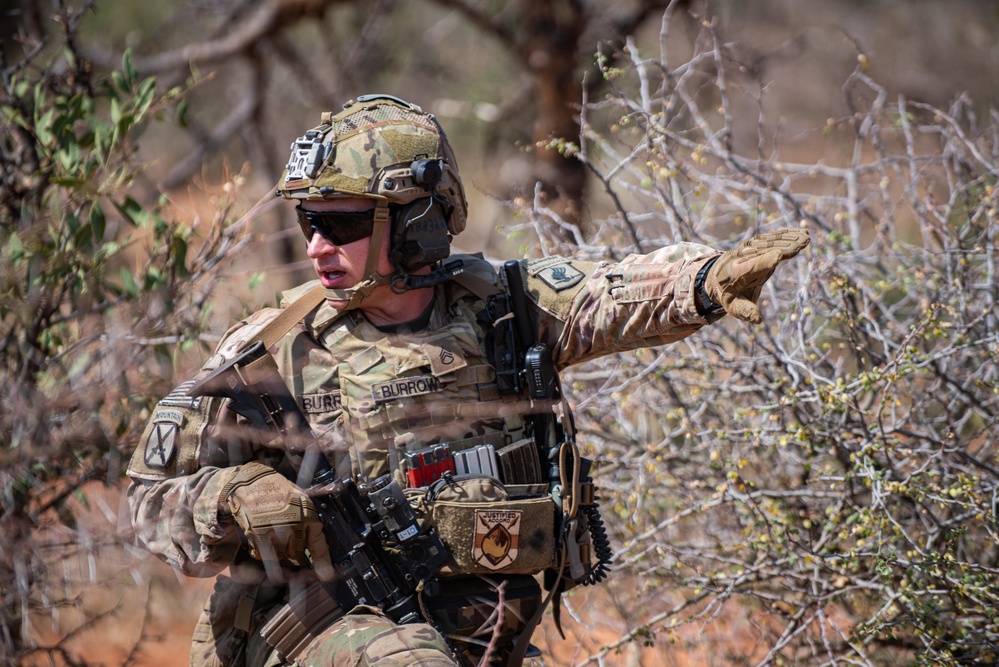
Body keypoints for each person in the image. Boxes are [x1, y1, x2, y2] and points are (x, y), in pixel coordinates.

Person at [127, 94, 809, 667]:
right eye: (309, 220)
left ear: (417, 219)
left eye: (341, 222)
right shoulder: (270, 356)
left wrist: (707, 279)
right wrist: (232, 495)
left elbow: (615, 289)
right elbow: (147, 499)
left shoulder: (503, 310)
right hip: (319, 634)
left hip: (478, 639)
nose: (314, 246)